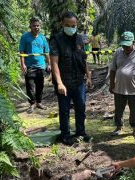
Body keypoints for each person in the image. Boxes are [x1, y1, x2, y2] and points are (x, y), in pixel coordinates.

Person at [50, 11, 92, 145]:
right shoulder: (56, 39)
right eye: (68, 25)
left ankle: (81, 132)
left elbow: (83, 59)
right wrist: (59, 83)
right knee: (64, 110)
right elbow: (54, 63)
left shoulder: (79, 38)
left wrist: (88, 76)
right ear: (62, 24)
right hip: (64, 82)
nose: (71, 27)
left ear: (76, 24)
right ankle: (65, 135)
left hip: (79, 81)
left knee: (81, 107)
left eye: (73, 25)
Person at [109, 31, 135, 139]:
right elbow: (113, 69)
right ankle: (119, 127)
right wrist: (111, 84)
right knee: (118, 109)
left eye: (127, 45)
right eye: (123, 45)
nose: (125, 48)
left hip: (134, 87)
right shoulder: (118, 52)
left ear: (133, 42)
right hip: (119, 87)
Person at [19, 17, 51, 113]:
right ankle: (32, 103)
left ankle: (39, 102)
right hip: (29, 66)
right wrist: (22, 64)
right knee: (30, 86)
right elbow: (22, 51)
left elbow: (46, 52)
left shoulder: (43, 38)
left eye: (38, 26)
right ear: (30, 26)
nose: (36, 27)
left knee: (40, 85)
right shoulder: (25, 37)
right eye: (34, 25)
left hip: (41, 66)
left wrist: (48, 64)